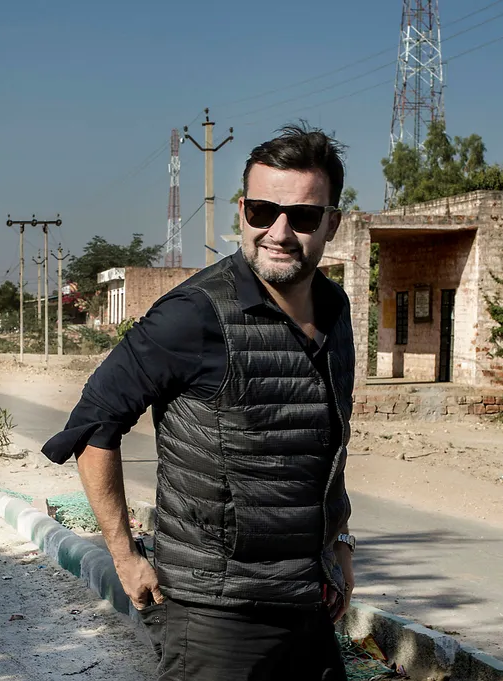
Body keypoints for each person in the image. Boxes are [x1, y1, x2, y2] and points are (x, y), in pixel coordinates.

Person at [42, 123, 356, 681]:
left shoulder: (335, 308)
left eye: (303, 216)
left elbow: (325, 445)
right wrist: (125, 555)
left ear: (331, 223)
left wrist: (342, 544)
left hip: (308, 600)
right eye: (263, 211)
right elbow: (93, 425)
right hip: (216, 614)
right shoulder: (194, 315)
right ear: (242, 212)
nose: (279, 232)